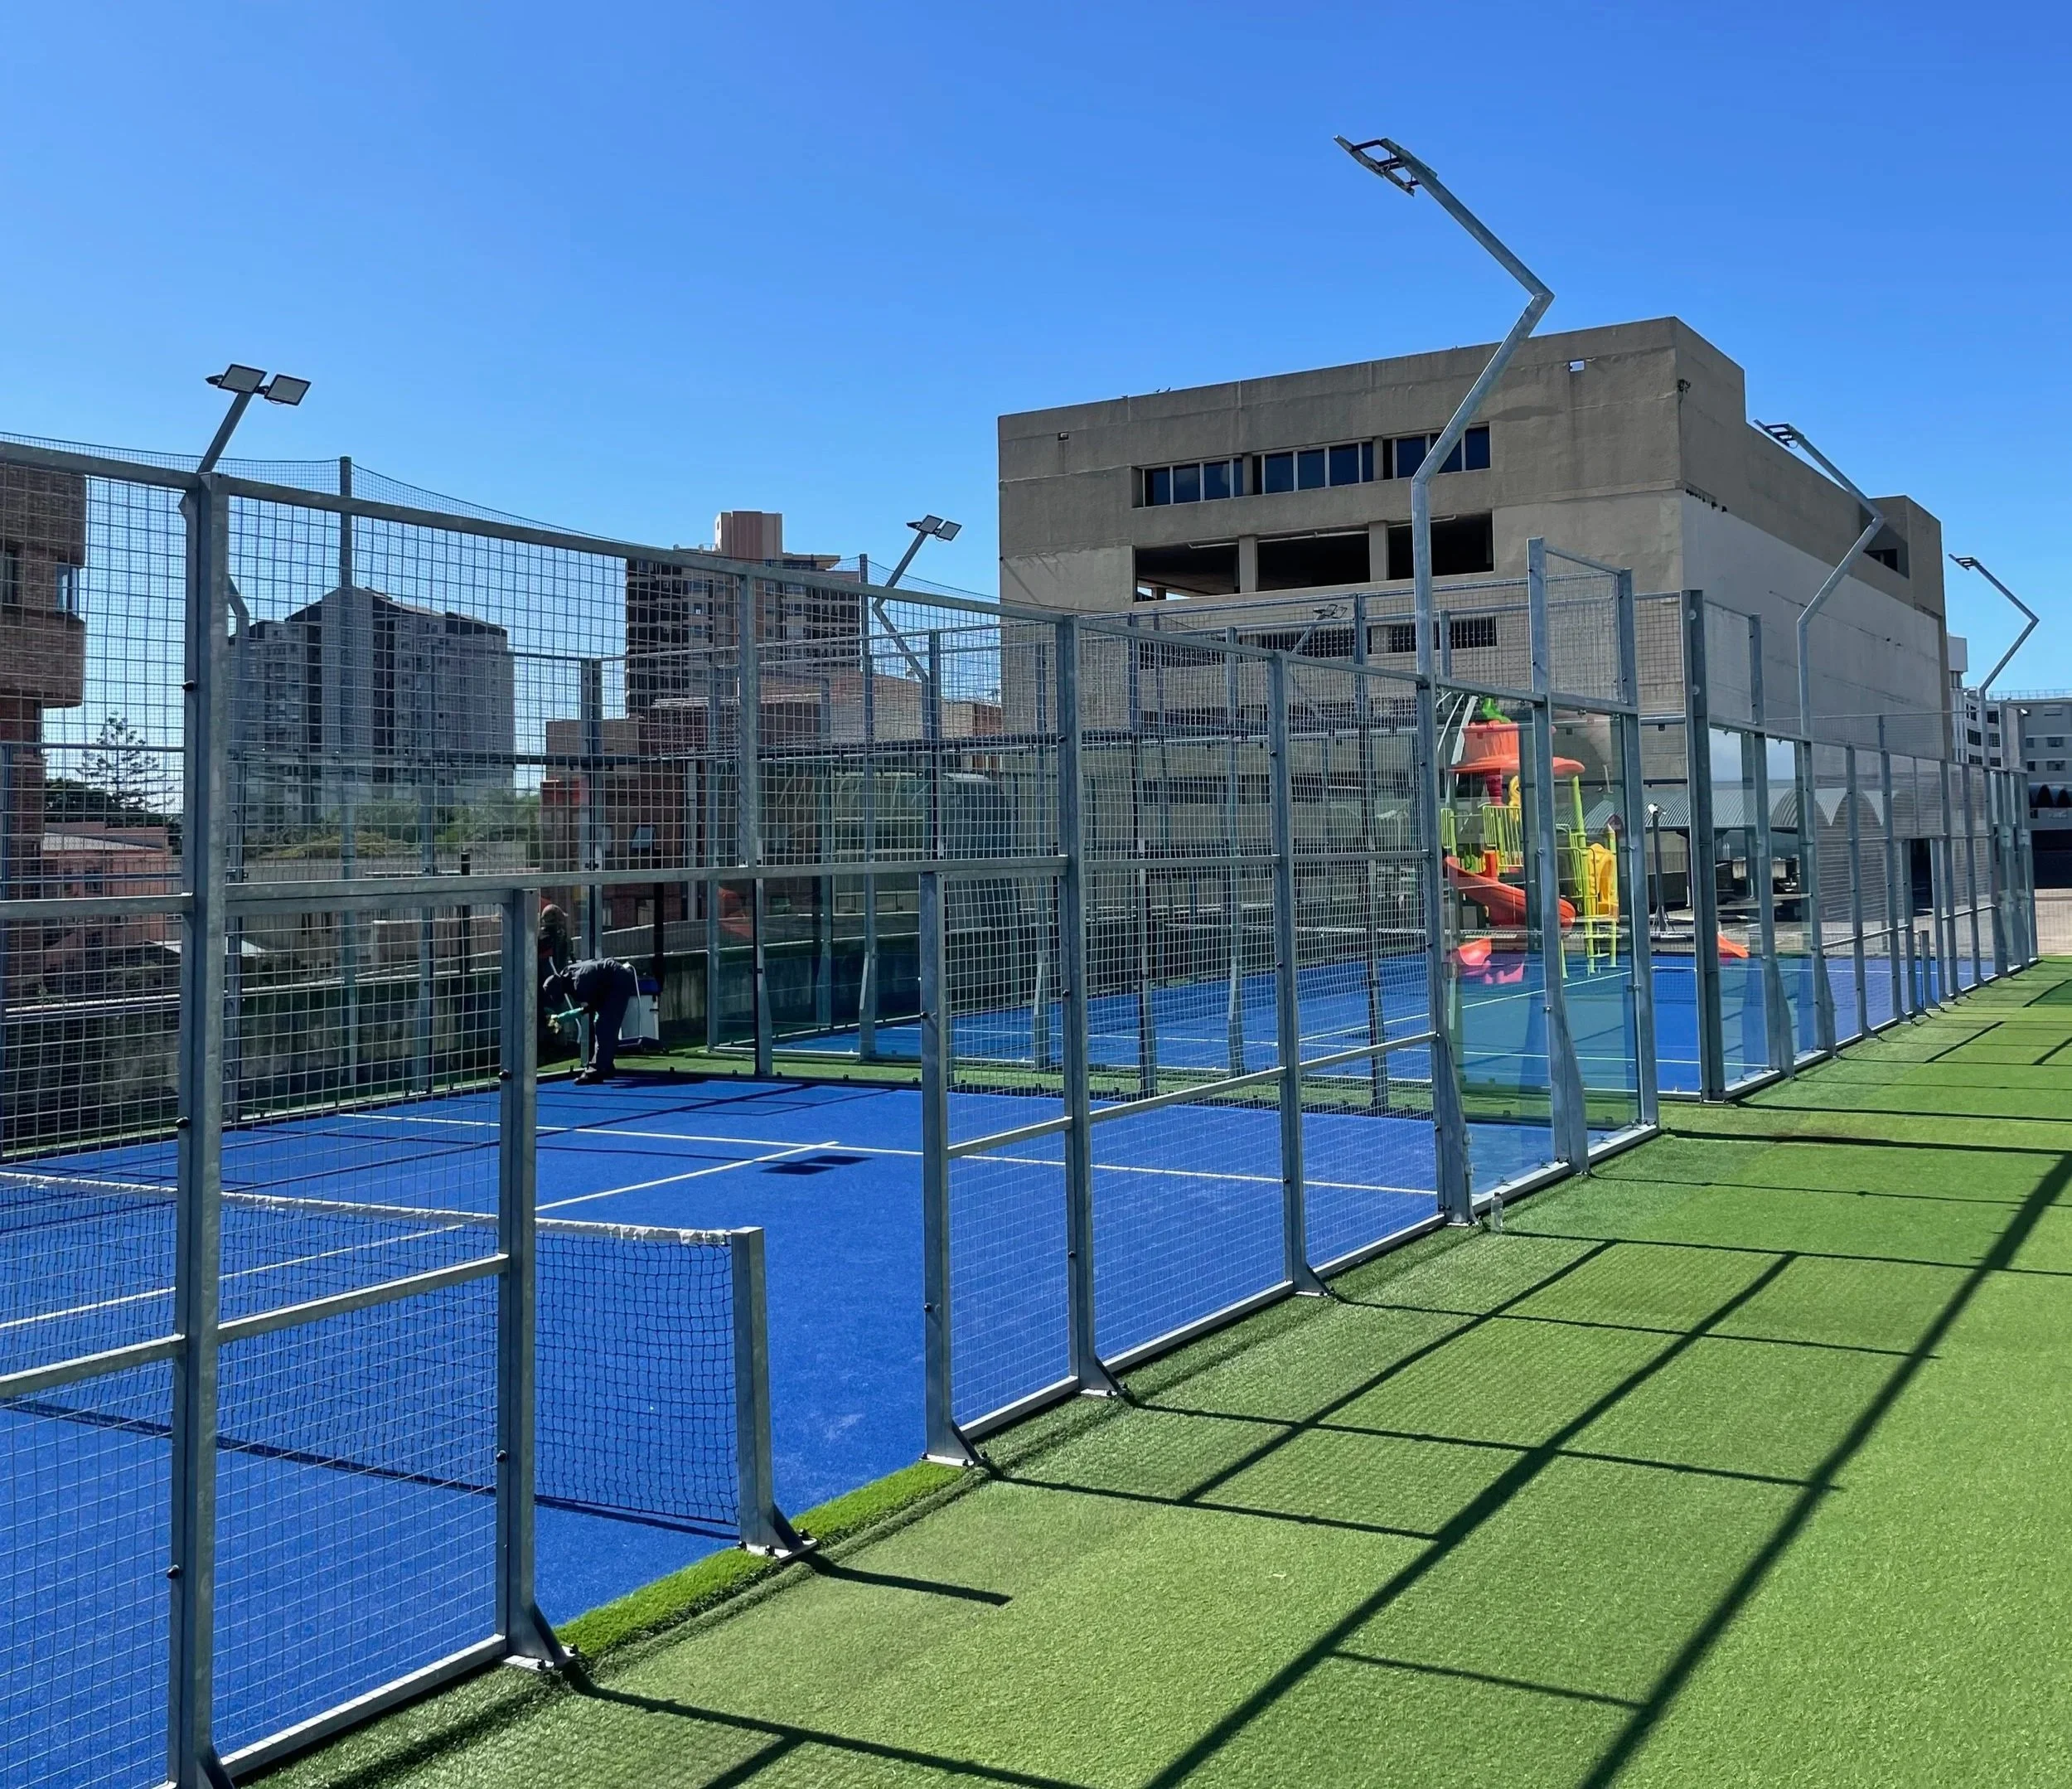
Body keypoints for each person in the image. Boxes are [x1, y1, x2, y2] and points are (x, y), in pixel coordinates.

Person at [543, 957, 640, 1083]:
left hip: (617, 982)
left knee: (603, 1027)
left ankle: (595, 1072)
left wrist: (567, 1016)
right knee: (604, 1024)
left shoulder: (579, 984)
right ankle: (605, 1066)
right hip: (612, 979)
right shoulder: (567, 974)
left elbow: (598, 1004)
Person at [536, 903, 574, 1059]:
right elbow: (547, 964)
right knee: (551, 1015)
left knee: (557, 1015)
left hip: (556, 982)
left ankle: (558, 1044)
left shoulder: (560, 938)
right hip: (547, 985)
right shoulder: (545, 940)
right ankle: (553, 1045)